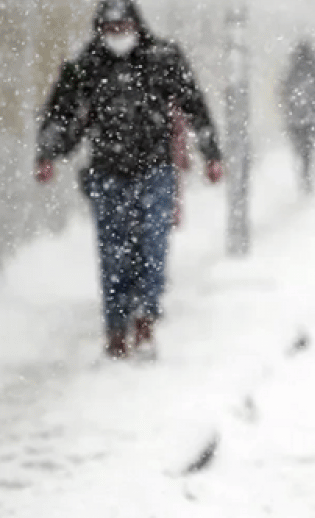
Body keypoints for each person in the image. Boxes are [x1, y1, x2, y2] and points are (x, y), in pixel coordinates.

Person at [34, 0, 222, 361]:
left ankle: (145, 319)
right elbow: (60, 113)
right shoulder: (86, 66)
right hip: (107, 172)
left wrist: (211, 153)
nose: (118, 36)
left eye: (123, 29)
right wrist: (48, 153)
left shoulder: (162, 58)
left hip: (155, 169)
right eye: (111, 30)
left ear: (136, 26)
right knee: (113, 252)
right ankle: (116, 326)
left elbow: (194, 105)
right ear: (100, 30)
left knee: (152, 246)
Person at [279, 40, 315, 195]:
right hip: (311, 118)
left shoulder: (293, 72)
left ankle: (304, 172)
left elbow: (284, 92)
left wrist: (288, 111)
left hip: (295, 118)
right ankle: (307, 173)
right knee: (309, 148)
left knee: (301, 148)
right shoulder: (313, 71)